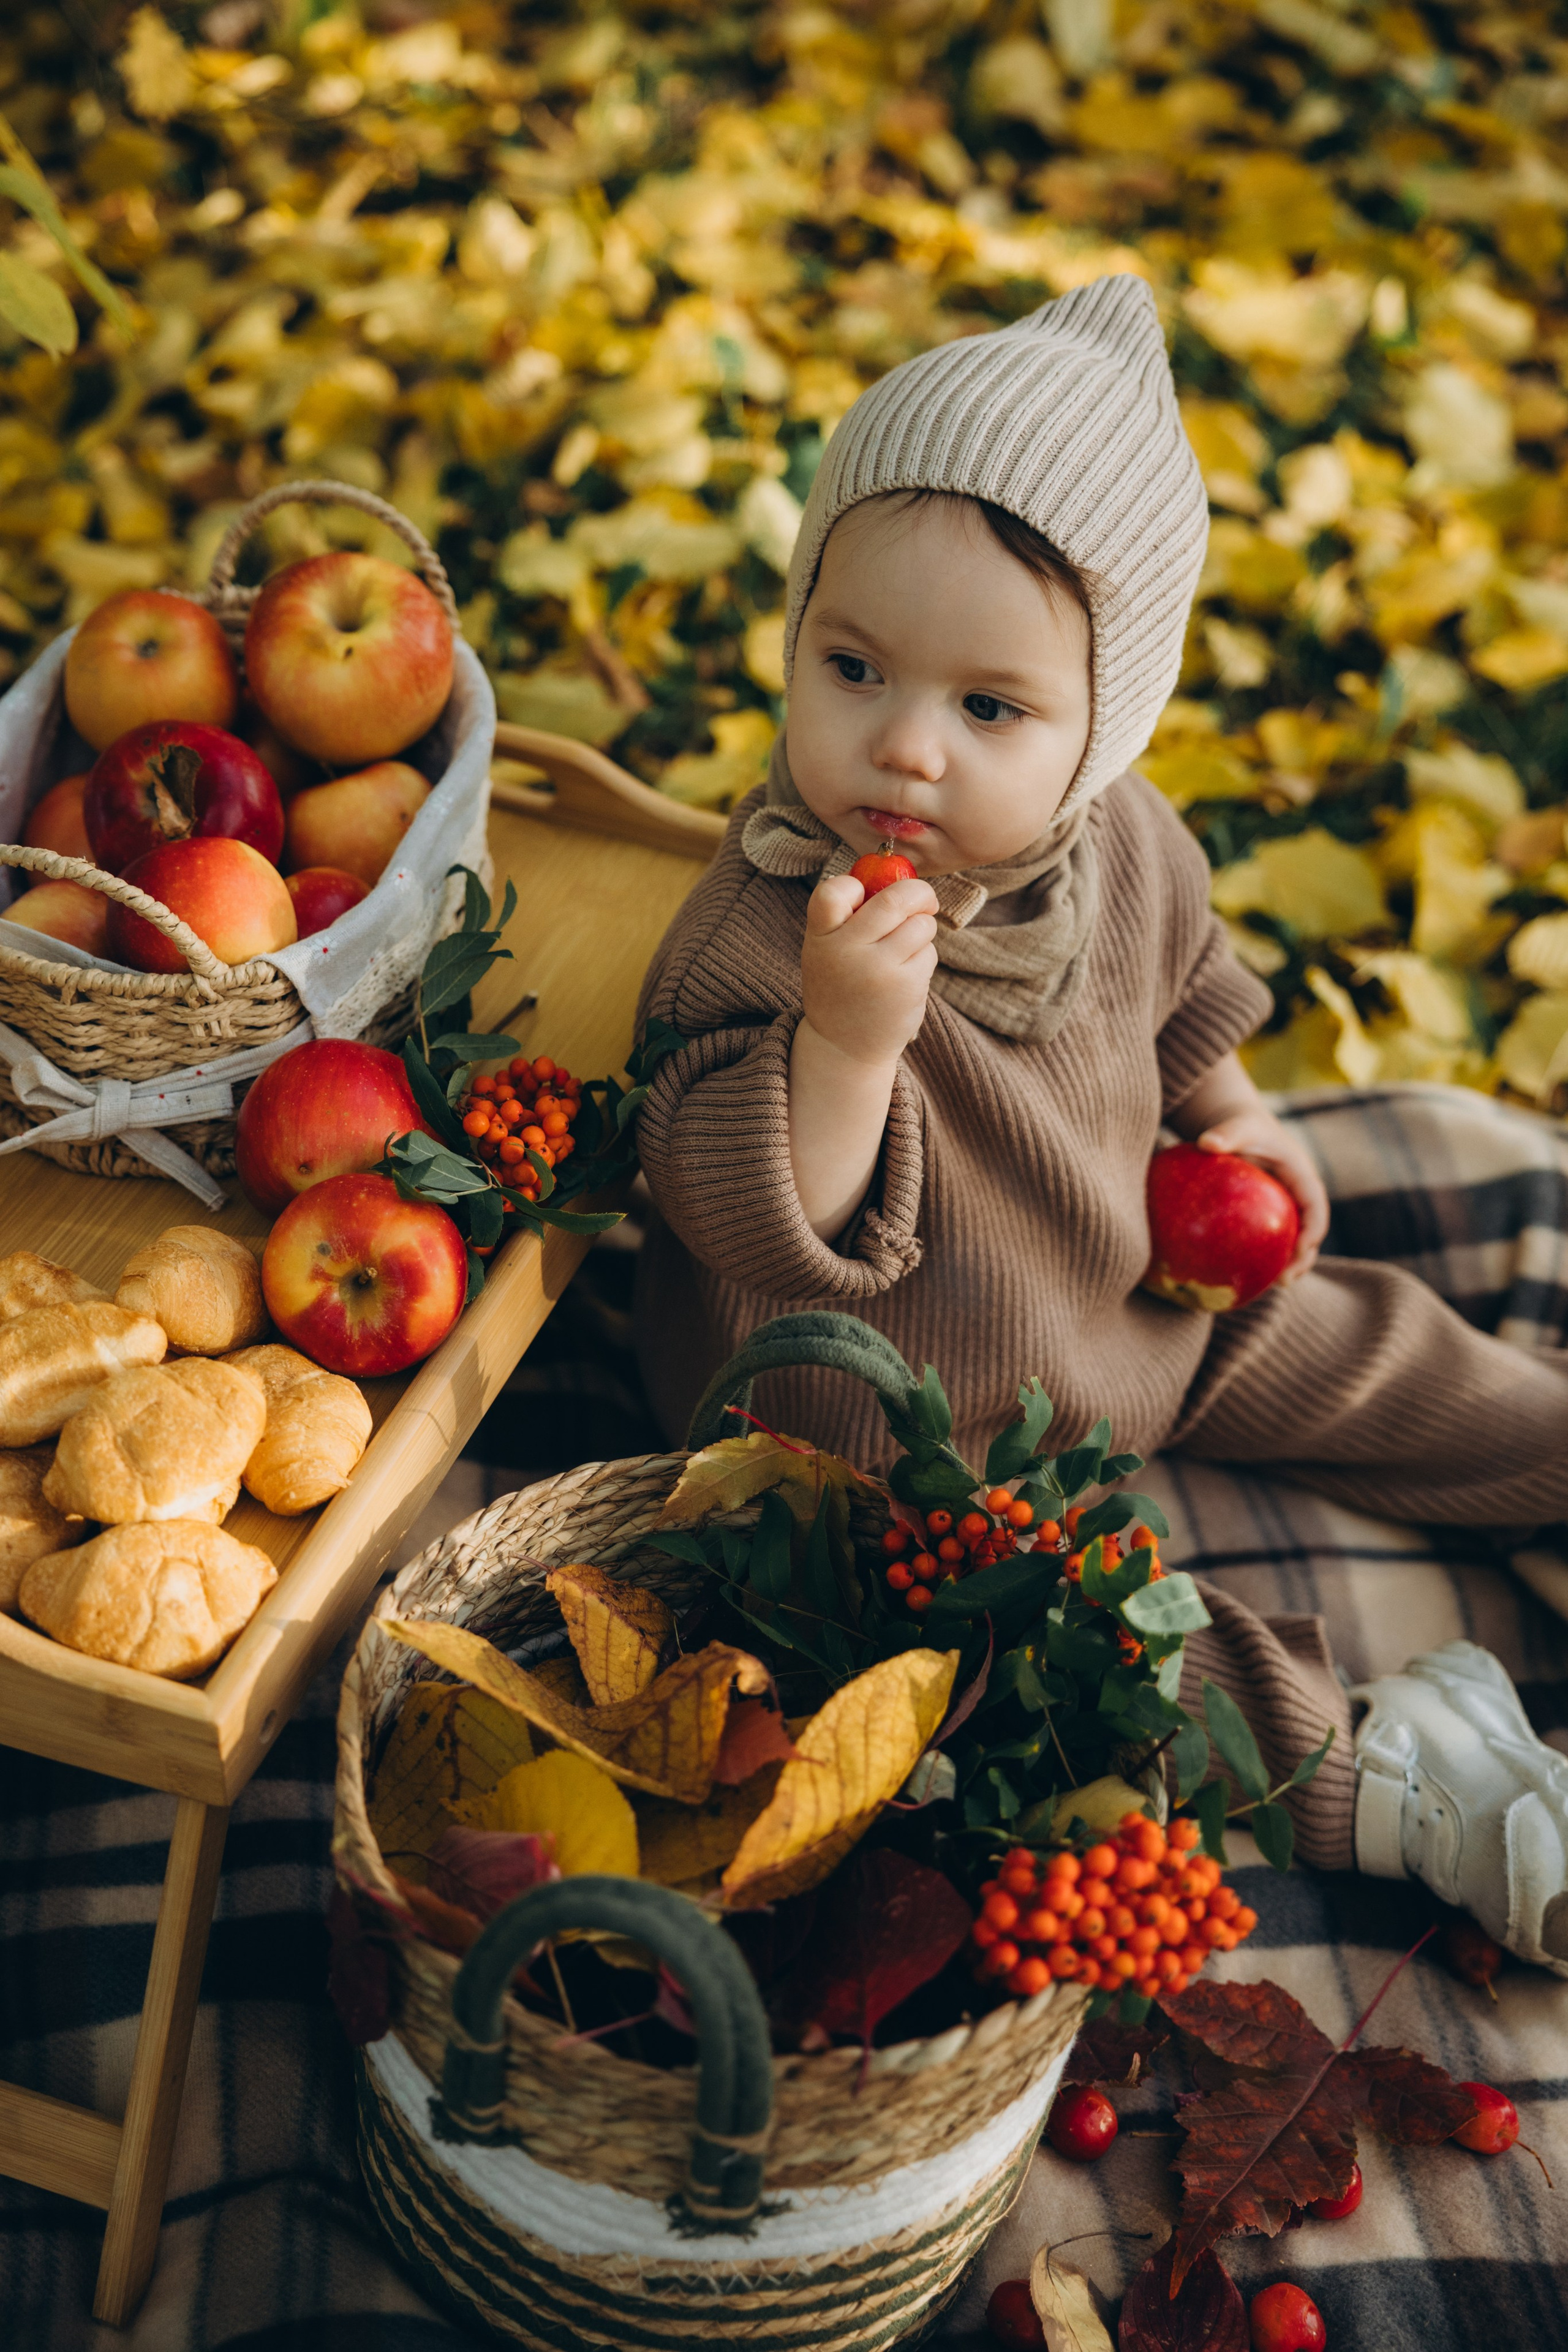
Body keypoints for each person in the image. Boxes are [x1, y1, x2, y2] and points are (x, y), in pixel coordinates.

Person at [631, 273, 1568, 1975]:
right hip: (890, 1442)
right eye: (852, 669)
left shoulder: (1121, 839)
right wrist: (844, 1048)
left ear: (1102, 725)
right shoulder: (764, 924)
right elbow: (736, 1210)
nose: (905, 749)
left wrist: (1236, 1111)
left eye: (991, 709)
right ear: (797, 638)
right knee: (1067, 1659)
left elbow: (1187, 986)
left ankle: (1543, 1454)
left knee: (1378, 1350)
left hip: (1131, 1294)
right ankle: (1401, 1773)